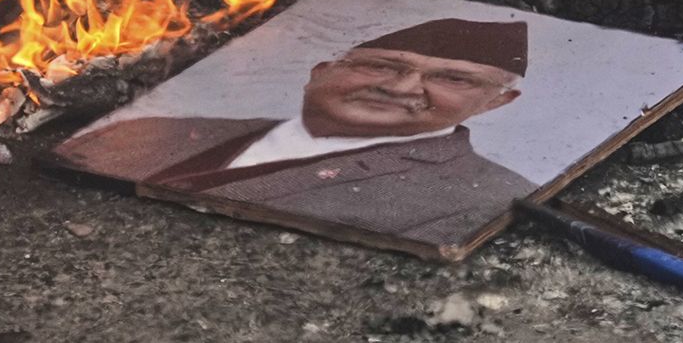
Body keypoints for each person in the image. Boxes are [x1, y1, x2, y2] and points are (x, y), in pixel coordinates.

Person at [49, 18, 538, 248]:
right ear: (320, 71)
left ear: (496, 102)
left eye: (453, 79)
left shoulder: (485, 200)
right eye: (380, 66)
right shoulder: (151, 129)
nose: (399, 87)